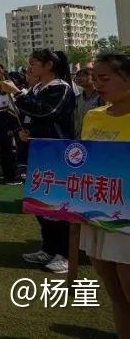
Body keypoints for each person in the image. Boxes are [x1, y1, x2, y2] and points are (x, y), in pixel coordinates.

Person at [0, 49, 76, 275]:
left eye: (33, 63)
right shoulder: (37, 89)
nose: (29, 67)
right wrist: (24, 131)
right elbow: (30, 116)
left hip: (57, 152)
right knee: (41, 203)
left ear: (49, 65)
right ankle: (49, 248)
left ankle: (65, 254)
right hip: (39, 151)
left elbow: (46, 112)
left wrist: (17, 93)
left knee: (59, 205)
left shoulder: (61, 88)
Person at [79, 52, 130, 337]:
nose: (97, 84)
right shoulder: (93, 116)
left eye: (104, 78)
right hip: (96, 214)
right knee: (116, 294)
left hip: (126, 219)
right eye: (94, 78)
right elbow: (81, 160)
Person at [73, 67, 103, 139]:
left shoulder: (102, 97)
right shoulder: (77, 98)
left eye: (85, 75)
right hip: (80, 137)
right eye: (78, 76)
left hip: (96, 137)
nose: (80, 78)